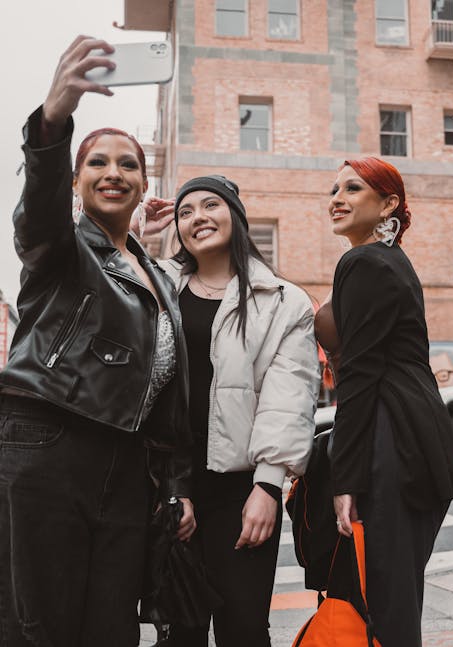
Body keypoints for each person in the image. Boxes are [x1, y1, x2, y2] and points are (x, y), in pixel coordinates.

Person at [0, 36, 194, 647]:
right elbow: (39, 218)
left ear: (145, 183)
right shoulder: (60, 249)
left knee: (111, 627)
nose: (114, 172)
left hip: (127, 462)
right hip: (48, 440)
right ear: (77, 180)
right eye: (97, 163)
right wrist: (54, 121)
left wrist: (173, 483)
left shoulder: (154, 272)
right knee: (42, 626)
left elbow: (156, 387)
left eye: (129, 164)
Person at [134, 175, 320, 646]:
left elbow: (290, 395)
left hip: (241, 487)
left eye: (210, 205)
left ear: (235, 215)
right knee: (179, 630)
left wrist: (268, 485)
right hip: (167, 485)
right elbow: (95, 281)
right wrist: (135, 235)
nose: (198, 217)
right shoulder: (156, 285)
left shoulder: (283, 300)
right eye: (186, 211)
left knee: (243, 628)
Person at [314, 157, 453, 647]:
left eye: (353, 189)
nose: (336, 198)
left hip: (390, 441)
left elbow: (359, 376)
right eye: (334, 188)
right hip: (417, 439)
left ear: (388, 204)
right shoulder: (390, 261)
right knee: (394, 602)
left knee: (385, 607)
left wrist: (346, 477)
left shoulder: (363, 262)